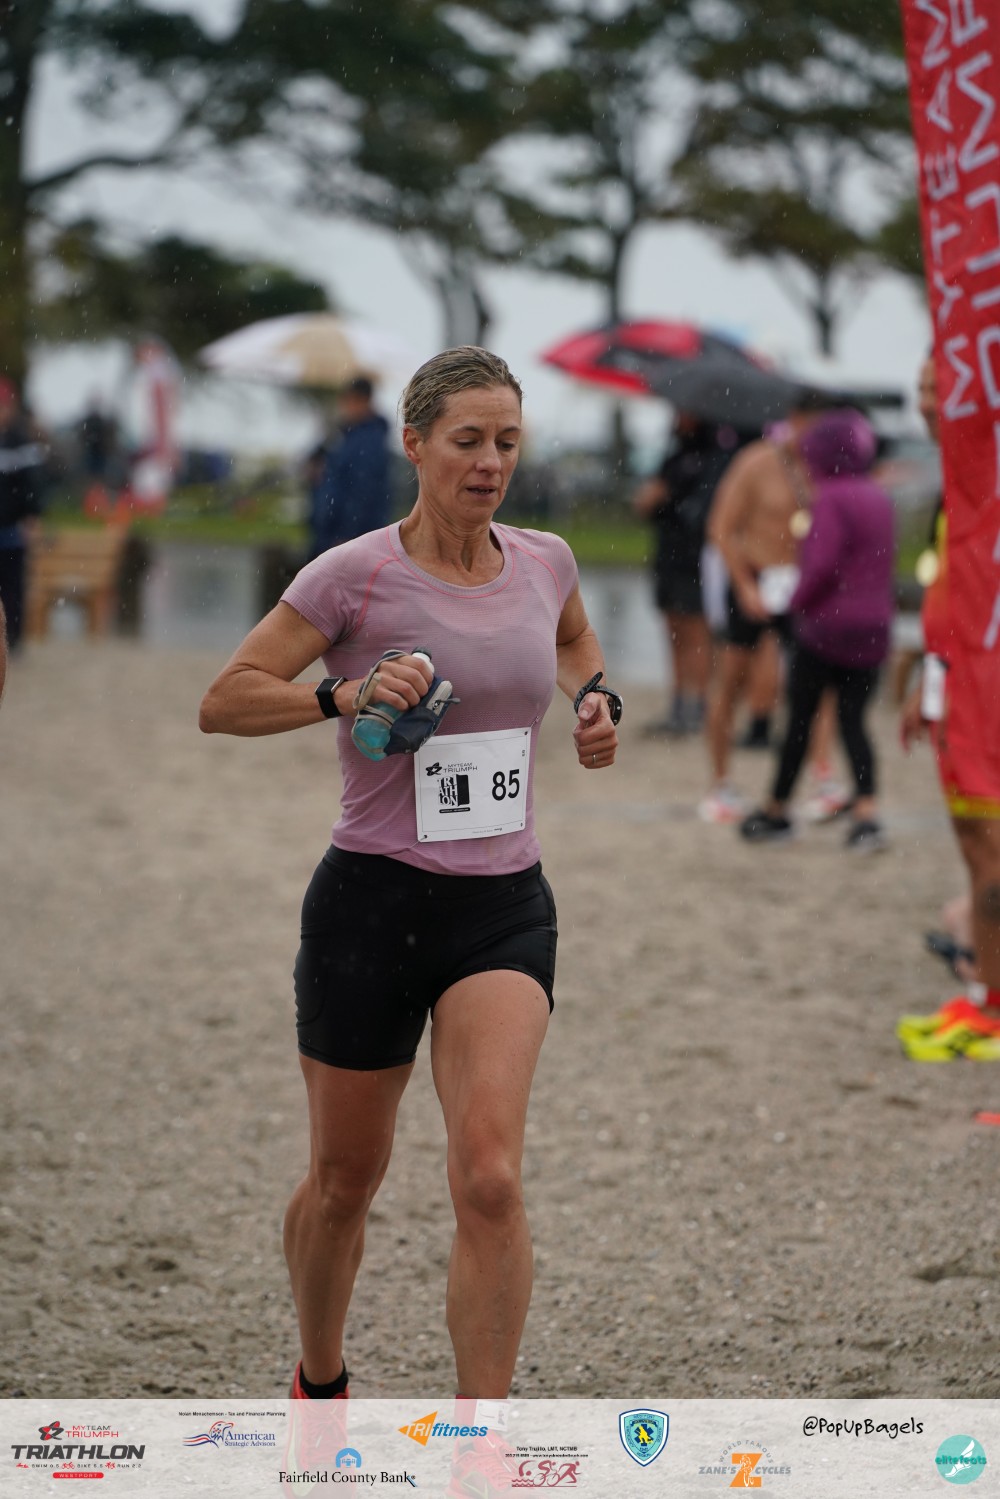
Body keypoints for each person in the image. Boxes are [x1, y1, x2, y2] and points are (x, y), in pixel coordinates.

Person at [199, 347, 621, 1483]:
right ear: (416, 443)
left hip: (503, 907)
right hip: (370, 906)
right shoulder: (353, 575)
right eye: (468, 440)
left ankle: (480, 1444)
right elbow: (224, 699)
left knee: (490, 1174)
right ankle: (319, 1380)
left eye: (507, 442)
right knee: (345, 1182)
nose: (490, 462)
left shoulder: (546, 560)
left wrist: (596, 699)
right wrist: (339, 693)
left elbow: (575, 641)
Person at [898, 353, 1000, 1059]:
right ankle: (984, 993)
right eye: (922, 388)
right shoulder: (957, 477)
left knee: (990, 847)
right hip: (954, 683)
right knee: (971, 843)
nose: (927, 402)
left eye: (940, 388)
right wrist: (928, 680)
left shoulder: (987, 473)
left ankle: (993, 1005)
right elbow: (951, 595)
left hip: (984, 690)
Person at [738, 409, 895, 850]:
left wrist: (795, 603)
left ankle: (776, 810)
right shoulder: (879, 497)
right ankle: (866, 813)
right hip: (874, 627)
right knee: (854, 721)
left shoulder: (829, 498)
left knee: (800, 721)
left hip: (828, 628)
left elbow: (822, 566)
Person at [700, 392, 847, 824]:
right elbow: (721, 528)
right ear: (795, 420)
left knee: (820, 686)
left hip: (803, 587)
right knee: (731, 682)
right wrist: (744, 585)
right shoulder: (756, 462)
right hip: (756, 579)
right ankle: (720, 783)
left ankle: (823, 776)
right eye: (812, 427)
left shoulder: (827, 466)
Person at [633, 413, 744, 736]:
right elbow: (648, 506)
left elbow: (707, 512)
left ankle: (699, 704)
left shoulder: (715, 458)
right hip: (668, 554)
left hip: (695, 558)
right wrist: (654, 499)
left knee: (697, 632)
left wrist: (667, 497)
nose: (678, 417)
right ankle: (680, 702)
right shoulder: (674, 456)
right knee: (674, 630)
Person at [308, 376, 392, 558]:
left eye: (348, 401)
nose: (344, 407)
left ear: (362, 401)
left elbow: (363, 490)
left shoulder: (369, 441)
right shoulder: (344, 436)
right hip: (330, 533)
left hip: (348, 536)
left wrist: (348, 534)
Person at [0, 378, 46, 654]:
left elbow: (31, 484)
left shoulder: (21, 440)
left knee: (12, 587)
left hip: (11, 529)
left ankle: (14, 639)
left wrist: (32, 516)